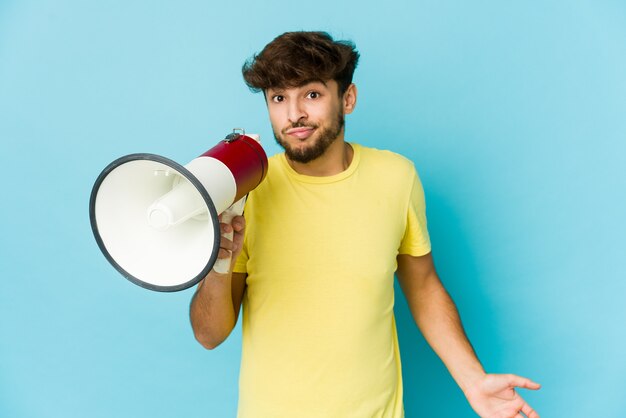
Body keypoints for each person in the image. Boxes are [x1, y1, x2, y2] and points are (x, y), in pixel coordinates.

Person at [190, 31, 541, 418]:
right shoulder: (249, 189)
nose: (293, 115)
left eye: (311, 94)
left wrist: (473, 379)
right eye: (278, 98)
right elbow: (209, 336)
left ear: (348, 98)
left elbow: (423, 287)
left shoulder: (396, 177)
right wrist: (219, 264)